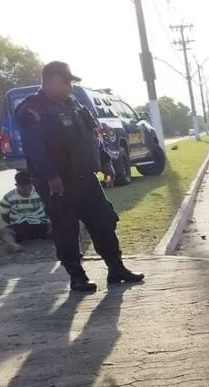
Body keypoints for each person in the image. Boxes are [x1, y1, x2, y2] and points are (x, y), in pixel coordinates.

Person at [16, 61, 144, 293]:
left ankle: (116, 269)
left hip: (85, 176)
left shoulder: (71, 104)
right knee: (66, 229)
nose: (70, 87)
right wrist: (51, 177)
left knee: (104, 221)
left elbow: (90, 135)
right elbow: (35, 149)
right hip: (59, 182)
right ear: (53, 80)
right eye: (67, 82)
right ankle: (77, 276)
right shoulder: (32, 109)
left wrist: (105, 162)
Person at [0, 170, 52, 252]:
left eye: (29, 187)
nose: (27, 190)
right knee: (3, 231)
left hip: (40, 224)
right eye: (23, 188)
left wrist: (49, 222)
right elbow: (5, 216)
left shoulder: (40, 193)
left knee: (57, 228)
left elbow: (49, 209)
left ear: (32, 184)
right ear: (17, 185)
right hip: (20, 227)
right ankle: (12, 245)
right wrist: (15, 222)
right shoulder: (8, 197)